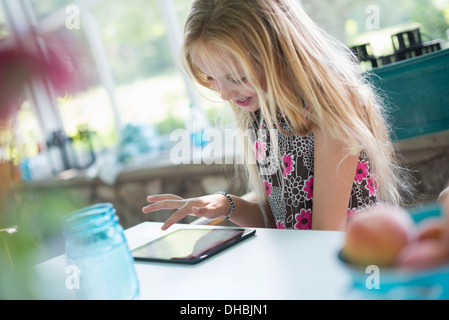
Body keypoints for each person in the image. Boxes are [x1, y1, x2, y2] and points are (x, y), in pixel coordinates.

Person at [142, 0, 408, 231]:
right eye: (211, 78)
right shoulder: (263, 114)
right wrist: (228, 205)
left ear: (279, 52)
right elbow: (282, 221)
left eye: (237, 77)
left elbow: (326, 233)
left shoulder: (328, 108)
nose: (223, 94)